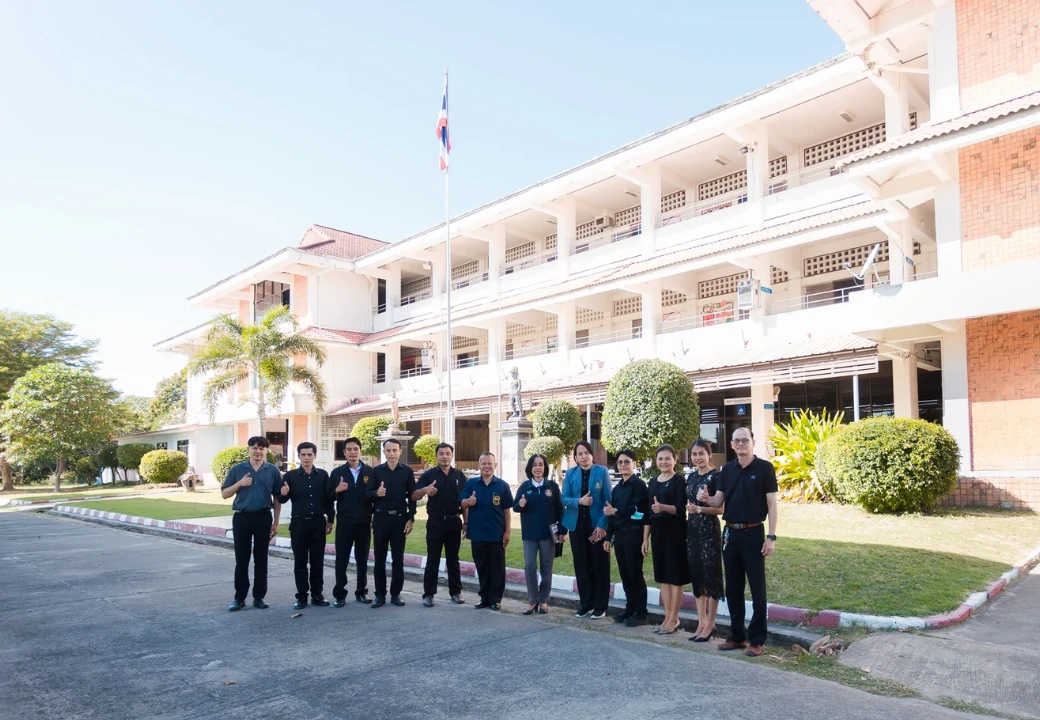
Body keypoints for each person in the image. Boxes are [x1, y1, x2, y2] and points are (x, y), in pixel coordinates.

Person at [698, 427, 778, 657]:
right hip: (730, 534)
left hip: (754, 534)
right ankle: (737, 636)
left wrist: (771, 537)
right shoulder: (726, 470)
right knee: (733, 588)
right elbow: (718, 501)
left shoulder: (764, 468)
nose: (741, 444)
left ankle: (757, 640)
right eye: (737, 441)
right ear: (731, 445)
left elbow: (772, 504)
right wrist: (707, 499)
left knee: (757, 589)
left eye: (745, 440)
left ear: (753, 442)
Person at [220, 436, 284, 612]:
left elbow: (277, 498)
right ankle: (239, 598)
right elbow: (225, 494)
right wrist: (239, 484)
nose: (258, 451)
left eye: (262, 448)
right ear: (248, 449)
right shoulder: (237, 469)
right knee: (242, 560)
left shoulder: (272, 471)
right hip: (242, 518)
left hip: (263, 517)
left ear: (266, 451)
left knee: (261, 559)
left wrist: (276, 522)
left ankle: (259, 597)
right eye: (254, 447)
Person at [278, 441, 333, 609]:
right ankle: (302, 596)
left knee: (317, 561)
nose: (307, 458)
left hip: (318, 522)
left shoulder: (323, 475)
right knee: (300, 562)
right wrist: (283, 493)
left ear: (315, 456)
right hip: (299, 523)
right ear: (299, 456)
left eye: (310, 454)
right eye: (303, 454)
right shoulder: (290, 476)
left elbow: (328, 499)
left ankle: (317, 594)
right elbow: (282, 500)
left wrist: (331, 519)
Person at [561, 440, 612, 619]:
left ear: (592, 455)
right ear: (575, 457)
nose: (583, 457)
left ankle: (600, 606)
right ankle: (586, 604)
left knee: (599, 565)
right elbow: (564, 498)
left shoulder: (601, 472)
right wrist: (579, 501)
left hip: (596, 525)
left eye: (586, 453)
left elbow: (608, 499)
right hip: (577, 526)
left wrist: (602, 524)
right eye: (580, 454)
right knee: (581, 565)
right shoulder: (570, 473)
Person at [413, 442, 467, 607]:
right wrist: (425, 490)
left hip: (454, 522)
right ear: (436, 456)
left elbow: (464, 502)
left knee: (453, 560)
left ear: (452, 455)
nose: (444, 456)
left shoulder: (459, 476)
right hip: (435, 523)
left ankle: (456, 592)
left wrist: (466, 522)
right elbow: (414, 495)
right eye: (441, 454)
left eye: (447, 453)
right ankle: (429, 594)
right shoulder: (429, 475)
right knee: (433, 559)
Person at [366, 438, 416, 608]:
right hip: (380, 518)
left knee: (397, 559)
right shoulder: (376, 471)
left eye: (395, 450)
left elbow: (412, 496)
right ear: (384, 452)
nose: (392, 454)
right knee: (379, 558)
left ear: (400, 451)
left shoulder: (407, 472)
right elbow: (367, 494)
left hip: (400, 519)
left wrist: (411, 518)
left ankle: (396, 594)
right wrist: (376, 493)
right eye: (388, 451)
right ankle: (379, 595)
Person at [460, 452, 513, 610]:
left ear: (495, 465)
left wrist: (508, 531)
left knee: (497, 568)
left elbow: (506, 511)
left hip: (496, 533)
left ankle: (495, 599)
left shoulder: (502, 485)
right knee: (482, 567)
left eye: (490, 463)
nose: (487, 466)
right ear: (479, 465)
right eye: (484, 463)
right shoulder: (471, 484)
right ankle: (484, 598)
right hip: (477, 534)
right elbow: (461, 503)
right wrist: (468, 502)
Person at [646, 444, 690, 634]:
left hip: (676, 533)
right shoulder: (652, 482)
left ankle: (674, 618)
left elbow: (682, 510)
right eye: (660, 459)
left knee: (675, 577)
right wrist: (644, 539)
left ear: (674, 459)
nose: (664, 462)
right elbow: (648, 513)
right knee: (663, 576)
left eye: (667, 458)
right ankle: (666, 617)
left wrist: (664, 507)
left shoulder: (680, 481)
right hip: (658, 533)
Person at [513, 453, 563, 615]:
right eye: (535, 465)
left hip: (548, 534)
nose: (538, 468)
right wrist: (520, 505)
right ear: (530, 468)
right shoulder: (525, 487)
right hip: (529, 534)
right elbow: (515, 507)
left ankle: (544, 600)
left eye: (541, 465)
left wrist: (562, 530)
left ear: (545, 467)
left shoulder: (552, 487)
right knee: (529, 566)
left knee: (546, 568)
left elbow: (560, 510)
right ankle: (532, 600)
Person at [602, 449, 649, 627]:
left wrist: (616, 511)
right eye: (620, 462)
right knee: (625, 574)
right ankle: (630, 609)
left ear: (634, 464)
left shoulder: (639, 486)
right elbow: (611, 512)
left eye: (627, 462)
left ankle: (641, 613)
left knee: (635, 574)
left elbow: (638, 511)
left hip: (634, 534)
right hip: (620, 536)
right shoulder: (618, 488)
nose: (623, 465)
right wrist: (608, 536)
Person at [684, 439, 724, 641]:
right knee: (697, 576)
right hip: (692, 531)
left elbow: (720, 509)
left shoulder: (716, 477)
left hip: (709, 531)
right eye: (694, 454)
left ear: (709, 455)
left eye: (701, 454)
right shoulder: (690, 477)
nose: (698, 458)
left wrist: (700, 509)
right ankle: (700, 622)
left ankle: (711, 624)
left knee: (711, 576)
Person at [327, 436, 374, 607]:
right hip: (345, 523)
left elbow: (374, 497)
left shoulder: (370, 472)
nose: (353, 452)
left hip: (364, 523)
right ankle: (340, 594)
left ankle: (361, 592)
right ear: (344, 452)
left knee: (362, 559)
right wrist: (337, 491)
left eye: (356, 449)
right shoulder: (337, 473)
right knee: (342, 559)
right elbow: (328, 497)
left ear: (360, 451)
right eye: (349, 450)